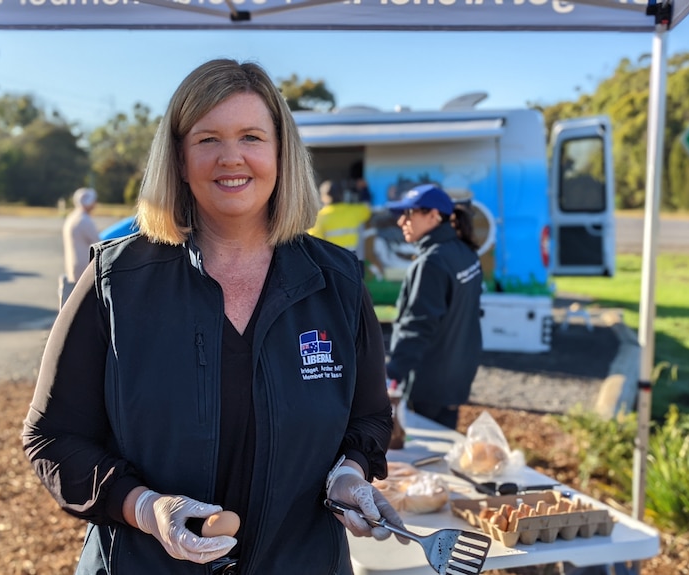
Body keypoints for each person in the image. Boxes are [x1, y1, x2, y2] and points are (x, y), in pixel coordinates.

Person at [22, 58, 406, 575]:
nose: (232, 158)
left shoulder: (336, 281)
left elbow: (368, 419)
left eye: (251, 136)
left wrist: (348, 477)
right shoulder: (118, 279)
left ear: (281, 152)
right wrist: (147, 509)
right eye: (207, 140)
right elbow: (52, 436)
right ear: (179, 159)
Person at [384, 184, 483, 430]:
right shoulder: (465, 252)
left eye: (409, 214)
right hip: (456, 376)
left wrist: (391, 373)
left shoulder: (432, 262)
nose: (401, 222)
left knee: (428, 454)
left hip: (428, 383)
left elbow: (418, 325)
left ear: (434, 216)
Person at [58, 187, 100, 308]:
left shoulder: (72, 218)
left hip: (73, 266)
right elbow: (97, 242)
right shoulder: (84, 221)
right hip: (84, 266)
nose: (95, 204)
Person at [307, 179, 372, 254]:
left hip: (332, 258)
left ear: (324, 197)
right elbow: (367, 206)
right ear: (342, 194)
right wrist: (364, 189)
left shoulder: (320, 217)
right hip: (351, 256)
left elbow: (314, 243)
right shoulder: (355, 211)